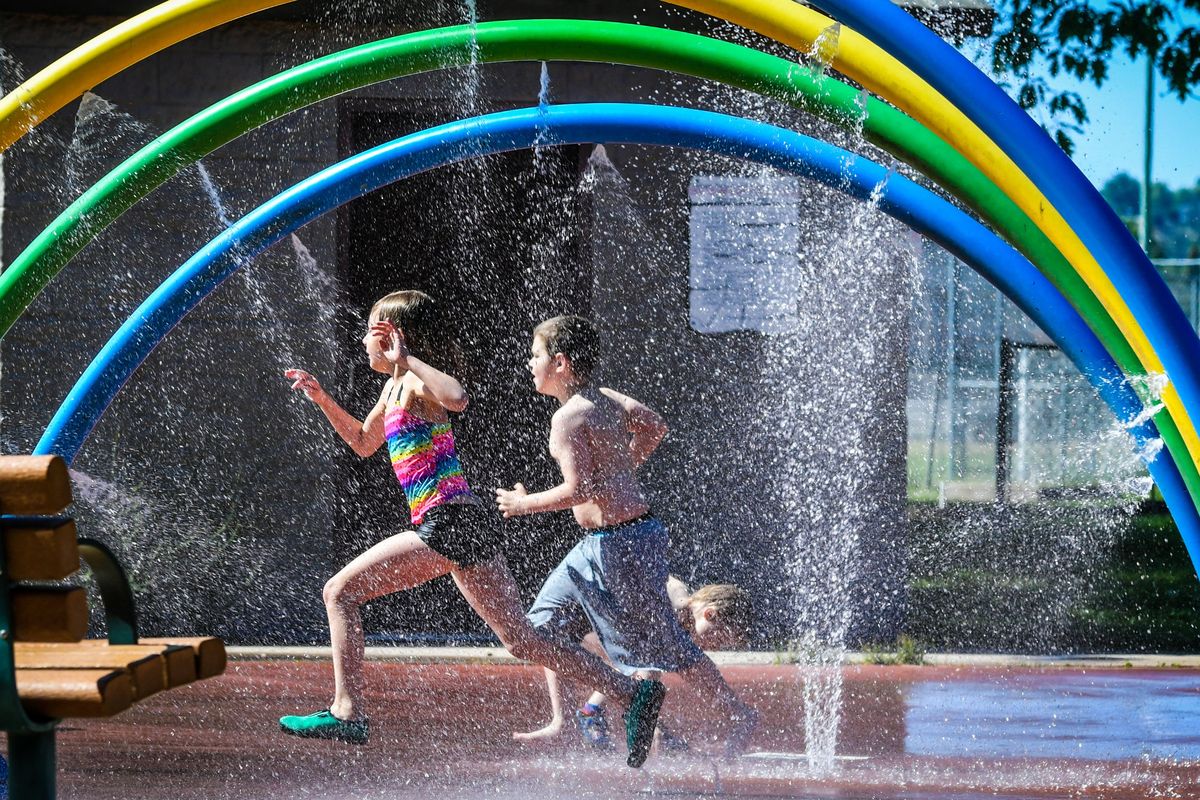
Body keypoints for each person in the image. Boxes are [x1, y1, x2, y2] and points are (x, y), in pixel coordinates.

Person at [277, 291, 665, 767]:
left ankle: (347, 711)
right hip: (463, 522)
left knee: (339, 592)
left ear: (392, 337)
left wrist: (408, 358)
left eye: (371, 333)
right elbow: (362, 441)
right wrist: (322, 399)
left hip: (449, 520)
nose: (364, 342)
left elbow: (457, 397)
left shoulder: (418, 384)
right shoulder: (392, 389)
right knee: (521, 639)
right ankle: (629, 692)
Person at [495, 315, 759, 759]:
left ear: (559, 363)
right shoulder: (607, 400)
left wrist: (525, 505)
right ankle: (606, 706)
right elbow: (654, 425)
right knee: (538, 630)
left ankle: (718, 712)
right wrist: (623, 471)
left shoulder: (568, 418)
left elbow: (579, 490)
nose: (530, 363)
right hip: (616, 540)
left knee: (657, 643)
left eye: (536, 355)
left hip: (619, 543)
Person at [514, 578, 754, 749]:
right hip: (582, 597)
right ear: (709, 613)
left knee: (643, 660)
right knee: (556, 643)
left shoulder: (680, 625)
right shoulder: (678, 603)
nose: (716, 646)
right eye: (719, 638)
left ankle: (584, 714)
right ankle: (583, 715)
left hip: (595, 610)